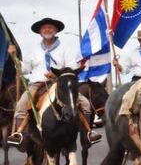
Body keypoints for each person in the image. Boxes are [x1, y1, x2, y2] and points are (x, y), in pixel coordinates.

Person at [6, 17, 100, 146]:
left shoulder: (65, 48)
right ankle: (21, 135)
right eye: (44, 28)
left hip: (59, 83)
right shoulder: (33, 49)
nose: (47, 30)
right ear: (40, 32)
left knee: (84, 103)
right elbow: (25, 69)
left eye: (50, 27)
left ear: (56, 31)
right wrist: (14, 57)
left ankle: (88, 133)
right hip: (37, 84)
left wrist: (57, 73)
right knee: (21, 105)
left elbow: (72, 67)